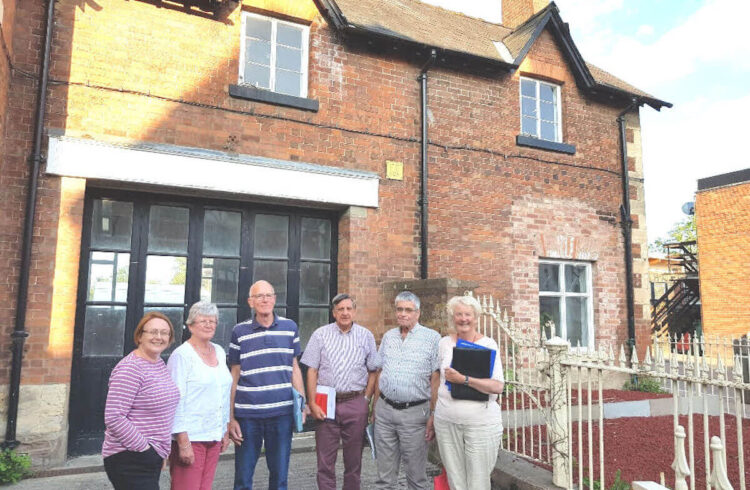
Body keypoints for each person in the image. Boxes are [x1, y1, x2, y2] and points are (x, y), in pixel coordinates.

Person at [228, 280, 306, 490]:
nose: (264, 300)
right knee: (243, 478)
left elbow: (295, 368)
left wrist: (301, 404)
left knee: (280, 477)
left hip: (281, 414)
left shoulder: (290, 328)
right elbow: (234, 374)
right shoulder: (239, 331)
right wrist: (231, 416)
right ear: (250, 302)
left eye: (268, 295)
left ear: (274, 299)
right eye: (259, 296)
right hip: (247, 416)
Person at [301, 293, 381, 490]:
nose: (345, 313)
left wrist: (366, 399)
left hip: (355, 401)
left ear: (354, 311)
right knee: (324, 460)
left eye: (348, 309)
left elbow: (374, 369)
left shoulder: (366, 335)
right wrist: (311, 402)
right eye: (340, 309)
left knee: (353, 460)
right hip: (325, 402)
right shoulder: (320, 334)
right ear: (334, 313)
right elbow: (312, 369)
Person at [102, 311, 181, 490]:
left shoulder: (158, 363)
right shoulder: (130, 368)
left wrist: (159, 452)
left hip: (149, 455)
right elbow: (114, 417)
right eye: (153, 332)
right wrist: (146, 450)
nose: (158, 337)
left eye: (164, 333)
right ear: (140, 336)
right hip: (129, 457)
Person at [434, 295, 504, 490]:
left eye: (468, 314)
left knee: (477, 483)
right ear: (452, 317)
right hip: (446, 421)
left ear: (476, 317)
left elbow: (498, 386)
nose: (463, 319)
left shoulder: (488, 344)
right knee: (455, 481)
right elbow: (436, 379)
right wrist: (432, 414)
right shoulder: (444, 343)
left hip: (480, 424)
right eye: (458, 314)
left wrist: (464, 379)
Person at [373, 291, 440, 489]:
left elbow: (435, 378)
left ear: (418, 313)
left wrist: (433, 413)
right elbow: (380, 371)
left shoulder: (432, 338)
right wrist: (375, 407)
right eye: (399, 309)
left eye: (408, 310)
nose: (403, 314)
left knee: (416, 476)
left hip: (414, 414)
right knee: (384, 476)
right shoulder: (389, 336)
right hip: (385, 411)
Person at [167, 301, 233, 490]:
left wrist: (225, 430)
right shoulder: (182, 356)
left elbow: (223, 392)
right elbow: (175, 401)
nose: (208, 325)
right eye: (203, 320)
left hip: (213, 436)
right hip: (190, 437)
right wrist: (183, 442)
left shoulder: (219, 351)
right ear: (190, 325)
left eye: (212, 321)